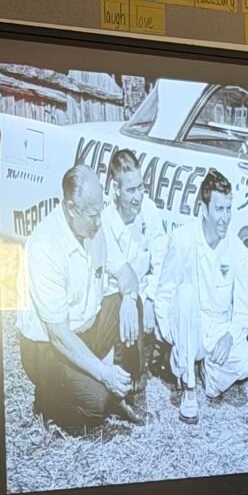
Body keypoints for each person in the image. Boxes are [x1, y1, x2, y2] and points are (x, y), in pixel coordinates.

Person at [16, 164, 147, 431]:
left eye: (101, 213)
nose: (100, 222)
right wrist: (104, 374)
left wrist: (130, 300)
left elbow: (125, 272)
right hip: (49, 348)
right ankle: (49, 399)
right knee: (95, 407)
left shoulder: (95, 222)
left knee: (131, 304)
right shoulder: (45, 246)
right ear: (71, 208)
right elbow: (58, 334)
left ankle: (122, 388)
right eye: (92, 216)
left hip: (85, 329)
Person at [154, 168, 248, 424]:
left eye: (229, 209)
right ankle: (189, 388)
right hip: (190, 327)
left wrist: (229, 337)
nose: (225, 218)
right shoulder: (182, 240)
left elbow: (244, 312)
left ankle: (207, 372)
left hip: (218, 329)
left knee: (245, 362)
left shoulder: (238, 251)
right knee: (186, 293)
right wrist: (173, 340)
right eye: (219, 209)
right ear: (204, 208)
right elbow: (164, 296)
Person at [102, 149, 167, 388]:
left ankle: (159, 350)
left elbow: (161, 260)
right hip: (121, 300)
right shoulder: (105, 221)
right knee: (133, 381)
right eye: (131, 190)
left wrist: (149, 298)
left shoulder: (148, 210)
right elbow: (115, 281)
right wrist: (136, 301)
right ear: (116, 189)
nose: (138, 197)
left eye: (141, 187)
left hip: (147, 295)